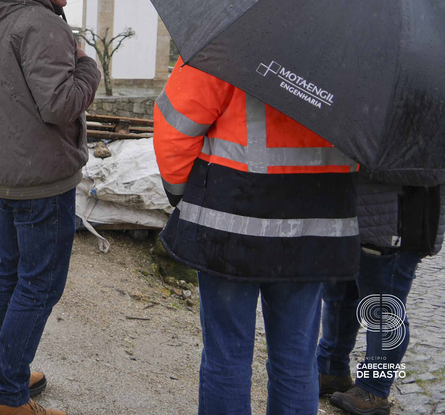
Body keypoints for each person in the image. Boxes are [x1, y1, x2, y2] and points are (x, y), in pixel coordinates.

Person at [154, 58, 359, 415]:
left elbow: (175, 130)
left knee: (227, 358)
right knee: (296, 361)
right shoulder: (354, 54)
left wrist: (183, 194)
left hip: (230, 227)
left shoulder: (227, 42)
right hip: (312, 228)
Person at [0, 0, 100, 415]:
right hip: (42, 176)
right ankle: (7, 395)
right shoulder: (40, 23)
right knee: (39, 283)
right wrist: (87, 66)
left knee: (9, 271)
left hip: (9, 170)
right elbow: (59, 105)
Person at [317, 174, 444, 415]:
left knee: (384, 311)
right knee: (341, 295)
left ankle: (374, 389)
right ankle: (331, 371)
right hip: (355, 214)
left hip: (399, 219)